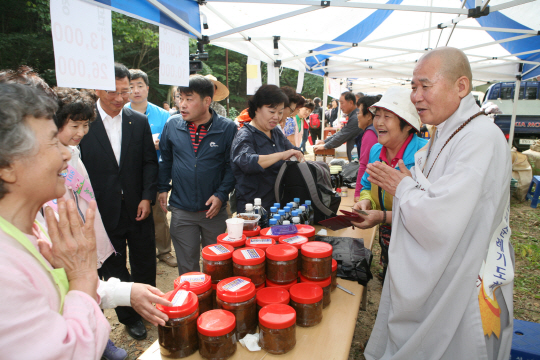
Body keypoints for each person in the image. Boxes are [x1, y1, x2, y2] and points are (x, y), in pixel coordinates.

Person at [362, 47, 513, 360]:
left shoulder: (479, 137)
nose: (415, 96)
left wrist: (401, 186)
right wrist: (408, 184)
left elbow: (444, 217)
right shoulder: (447, 132)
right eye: (413, 86)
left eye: (424, 86)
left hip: (463, 275)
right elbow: (434, 194)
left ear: (460, 87)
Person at [0, 83, 110, 359]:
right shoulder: (5, 272)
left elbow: (56, 289)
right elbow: (69, 352)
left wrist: (125, 292)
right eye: (52, 141)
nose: (65, 154)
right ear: (7, 167)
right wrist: (84, 276)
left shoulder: (31, 227)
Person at [80, 63, 159, 341]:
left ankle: (150, 305)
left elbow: (150, 162)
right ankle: (129, 316)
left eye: (125, 91)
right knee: (113, 265)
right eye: (112, 91)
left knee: (144, 260)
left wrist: (148, 196)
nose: (119, 98)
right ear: (96, 89)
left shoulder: (137, 121)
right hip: (102, 211)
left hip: (139, 207)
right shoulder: (82, 124)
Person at [158, 75, 237, 275]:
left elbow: (232, 167)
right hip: (181, 209)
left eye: (189, 99)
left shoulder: (227, 128)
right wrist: (162, 188)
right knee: (187, 268)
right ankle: (193, 303)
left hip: (214, 210)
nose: (182, 105)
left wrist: (221, 195)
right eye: (179, 98)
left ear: (207, 101)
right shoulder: (172, 125)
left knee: (217, 265)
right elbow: (166, 160)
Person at [352, 87, 427, 281]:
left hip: (416, 238)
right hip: (387, 232)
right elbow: (367, 187)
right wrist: (366, 203)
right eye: (377, 115)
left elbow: (428, 211)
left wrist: (382, 216)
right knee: (390, 276)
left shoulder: (425, 155)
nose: (379, 122)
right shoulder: (376, 151)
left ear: (409, 125)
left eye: (388, 116)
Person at [125, 69, 176, 268]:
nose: (135, 90)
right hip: (129, 174)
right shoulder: (120, 112)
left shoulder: (163, 115)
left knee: (158, 214)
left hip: (154, 172)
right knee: (131, 213)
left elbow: (172, 144)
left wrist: (160, 144)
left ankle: (164, 251)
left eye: (139, 86)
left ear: (147, 88)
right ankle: (137, 253)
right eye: (131, 87)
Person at [231, 84, 304, 214]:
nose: (277, 117)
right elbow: (247, 162)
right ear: (257, 108)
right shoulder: (246, 134)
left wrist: (298, 154)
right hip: (253, 210)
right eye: (272, 111)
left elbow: (293, 150)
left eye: (280, 112)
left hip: (277, 206)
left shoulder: (275, 132)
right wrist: (281, 155)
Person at [313, 92, 365, 161]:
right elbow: (342, 132)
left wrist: (325, 145)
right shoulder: (353, 116)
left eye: (342, 103)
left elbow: (342, 136)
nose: (340, 106)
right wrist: (325, 141)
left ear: (351, 103)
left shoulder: (355, 118)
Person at [354, 95, 381, 202]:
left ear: (369, 115)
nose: (357, 116)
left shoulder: (370, 133)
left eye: (359, 113)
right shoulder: (374, 131)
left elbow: (364, 165)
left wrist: (358, 194)